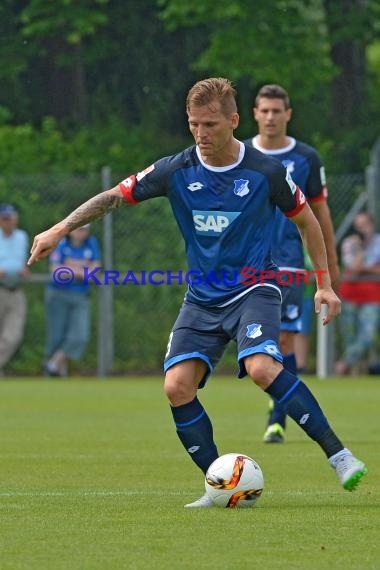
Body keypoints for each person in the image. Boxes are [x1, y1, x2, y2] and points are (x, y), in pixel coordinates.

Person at [28, 77, 367, 506]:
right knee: (176, 387)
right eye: (194, 124)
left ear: (234, 120)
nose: (201, 135)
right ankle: (218, 486)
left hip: (255, 288)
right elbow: (114, 196)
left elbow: (308, 221)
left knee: (262, 368)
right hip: (202, 298)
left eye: (210, 124)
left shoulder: (265, 172)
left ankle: (339, 456)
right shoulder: (176, 169)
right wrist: (59, 229)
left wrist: (324, 284)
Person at [244, 84, 339, 443]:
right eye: (264, 110)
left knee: (283, 337)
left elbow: (319, 212)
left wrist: (328, 268)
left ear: (288, 114)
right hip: (243, 264)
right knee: (256, 343)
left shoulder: (306, 158)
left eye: (276, 111)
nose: (270, 117)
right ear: (254, 113)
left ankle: (276, 417)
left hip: (287, 263)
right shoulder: (239, 153)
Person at [44, 224, 101, 377]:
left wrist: (69, 266)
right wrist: (82, 269)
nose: (82, 232)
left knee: (80, 336)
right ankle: (57, 373)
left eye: (85, 229)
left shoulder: (91, 243)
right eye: (79, 229)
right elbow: (56, 271)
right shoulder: (61, 242)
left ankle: (52, 364)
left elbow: (94, 271)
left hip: (81, 295)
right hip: (57, 293)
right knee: (56, 336)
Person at [335, 212, 380, 375]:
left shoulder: (378, 242)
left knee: (367, 336)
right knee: (349, 337)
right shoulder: (349, 243)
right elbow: (353, 269)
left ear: (371, 225)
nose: (360, 229)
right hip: (349, 295)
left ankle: (343, 364)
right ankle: (354, 371)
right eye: (358, 226)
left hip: (372, 296)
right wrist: (361, 250)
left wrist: (362, 269)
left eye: (364, 225)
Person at [0, 204, 29, 376]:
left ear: (15, 220)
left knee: (13, 336)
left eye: (9, 218)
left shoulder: (22, 237)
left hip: (16, 290)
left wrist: (25, 267)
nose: (7, 222)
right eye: (4, 218)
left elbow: (21, 260)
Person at [294, 248, 316, 374]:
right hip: (285, 295)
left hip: (305, 295)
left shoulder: (309, 249)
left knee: (303, 330)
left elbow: (315, 271)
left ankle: (300, 365)